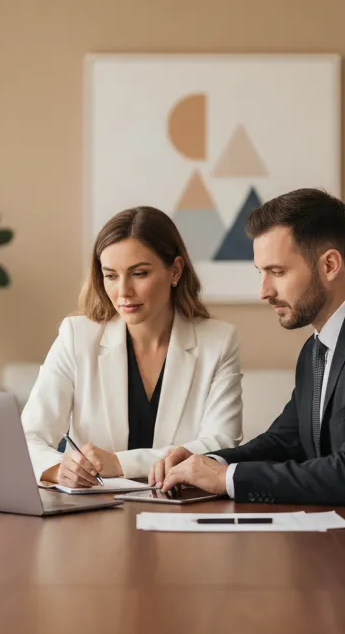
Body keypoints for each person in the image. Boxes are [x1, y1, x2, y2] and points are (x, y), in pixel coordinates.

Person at [151, 188, 345, 539]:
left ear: (329, 265)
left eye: (277, 271)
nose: (264, 291)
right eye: (261, 272)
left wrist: (224, 480)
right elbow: (288, 440)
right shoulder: (318, 347)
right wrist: (212, 462)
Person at [23, 206, 242, 488]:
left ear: (175, 270)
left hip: (181, 509)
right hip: (93, 513)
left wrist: (120, 463)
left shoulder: (219, 341)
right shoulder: (76, 336)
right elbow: (29, 435)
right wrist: (56, 469)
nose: (123, 291)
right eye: (111, 275)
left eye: (138, 273)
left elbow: (220, 444)